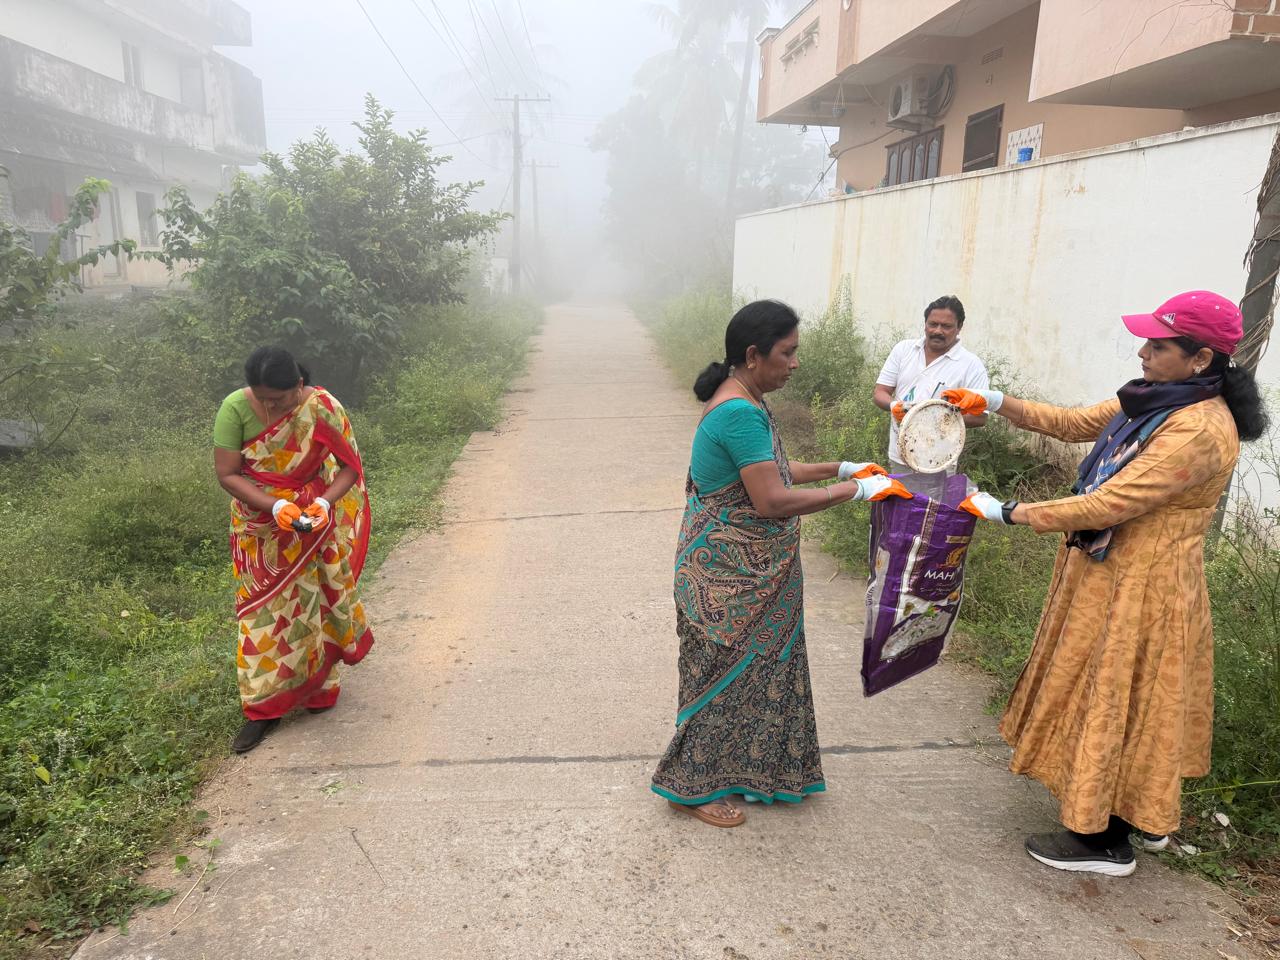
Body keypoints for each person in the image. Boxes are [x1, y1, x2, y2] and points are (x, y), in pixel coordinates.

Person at [946, 290, 1269, 876]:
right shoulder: (1155, 400)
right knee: (1120, 696)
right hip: (1113, 573)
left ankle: (1103, 840)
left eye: (1159, 346)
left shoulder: (1197, 428)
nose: (1143, 353)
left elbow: (1110, 503)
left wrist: (1007, 511)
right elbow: (1075, 424)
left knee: (1120, 697)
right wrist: (993, 400)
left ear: (1200, 358)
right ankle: (1137, 813)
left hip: (1145, 586)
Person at [651, 299, 911, 827]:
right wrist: (856, 491)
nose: (795, 363)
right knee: (724, 680)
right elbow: (772, 500)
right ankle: (688, 787)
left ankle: (747, 771)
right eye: (787, 353)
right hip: (730, 579)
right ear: (754, 355)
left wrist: (842, 467)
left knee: (758, 673)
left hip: (746, 573)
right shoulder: (739, 412)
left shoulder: (745, 398)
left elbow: (776, 470)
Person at [213, 347, 374, 754]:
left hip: (313, 524)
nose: (270, 407)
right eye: (262, 398)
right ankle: (262, 710)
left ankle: (318, 688)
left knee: (315, 602)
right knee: (261, 615)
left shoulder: (322, 406)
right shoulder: (234, 409)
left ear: (298, 385)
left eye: (279, 399)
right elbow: (227, 474)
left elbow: (349, 467)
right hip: (259, 531)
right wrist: (276, 507)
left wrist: (323, 503)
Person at [872, 295, 990, 473]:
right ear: (925, 324)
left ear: (959, 327)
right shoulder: (903, 350)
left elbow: (980, 417)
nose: (938, 331)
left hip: (939, 460)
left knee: (935, 493)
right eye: (933, 324)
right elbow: (880, 392)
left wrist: (934, 419)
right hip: (899, 453)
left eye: (946, 326)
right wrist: (895, 406)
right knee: (899, 491)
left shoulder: (971, 365)